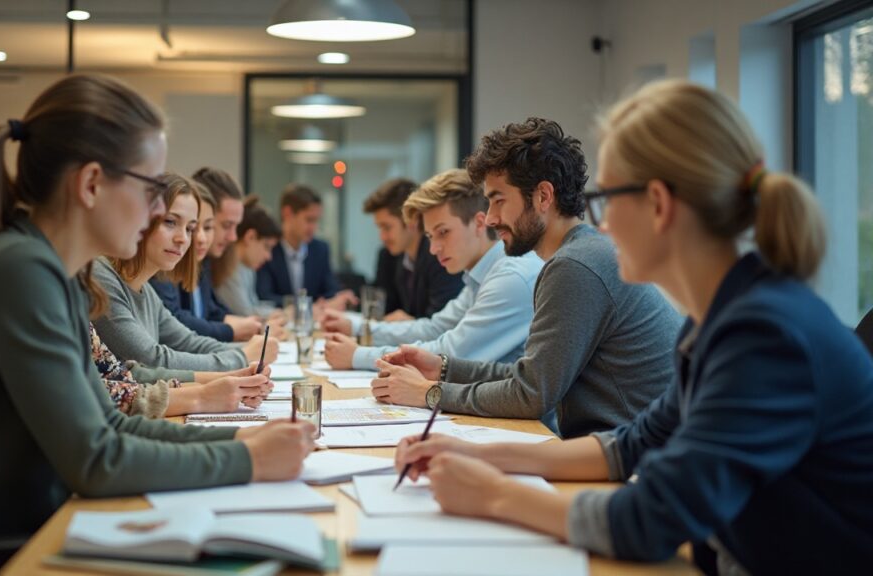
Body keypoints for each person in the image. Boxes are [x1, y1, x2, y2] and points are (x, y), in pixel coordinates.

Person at [394, 80, 873, 573]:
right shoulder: (717, 321)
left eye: (605, 198)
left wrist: (493, 496)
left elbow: (652, 519)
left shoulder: (765, 338)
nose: (600, 224)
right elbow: (628, 446)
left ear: (659, 204)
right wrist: (479, 456)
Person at [0, 74, 314, 557]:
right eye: (151, 188)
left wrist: (245, 436)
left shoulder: (51, 273)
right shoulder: (18, 272)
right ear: (90, 184)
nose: (155, 210)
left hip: (22, 530)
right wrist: (249, 459)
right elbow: (97, 461)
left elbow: (111, 425)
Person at [375, 117, 681, 438]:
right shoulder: (581, 253)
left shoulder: (575, 266)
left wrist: (429, 393)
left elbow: (530, 395)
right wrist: (443, 367)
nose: (491, 219)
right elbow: (531, 376)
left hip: (628, 461)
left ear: (543, 196)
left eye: (498, 200)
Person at [323, 169, 541, 372]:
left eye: (443, 232)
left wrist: (358, 356)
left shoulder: (509, 277)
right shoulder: (482, 274)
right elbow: (434, 328)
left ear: (479, 224)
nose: (434, 248)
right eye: (429, 236)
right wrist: (357, 327)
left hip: (520, 413)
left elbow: (448, 353)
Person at [92, 173, 275, 372]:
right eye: (170, 222)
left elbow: (190, 342)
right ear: (142, 219)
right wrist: (241, 356)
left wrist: (252, 350)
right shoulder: (102, 278)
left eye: (190, 228)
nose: (183, 239)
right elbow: (152, 359)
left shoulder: (146, 291)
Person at [151, 167, 264, 342]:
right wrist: (232, 334)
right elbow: (176, 324)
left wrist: (250, 326)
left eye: (207, 227)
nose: (234, 237)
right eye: (226, 225)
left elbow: (213, 311)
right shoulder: (164, 265)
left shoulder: (203, 261)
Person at [91, 322, 272, 418]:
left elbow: (121, 376)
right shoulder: (100, 280)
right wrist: (202, 396)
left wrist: (231, 379)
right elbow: (93, 395)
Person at [364, 178, 463, 321]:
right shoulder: (390, 255)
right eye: (380, 228)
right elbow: (383, 306)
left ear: (411, 220)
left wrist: (409, 323)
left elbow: (442, 325)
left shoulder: (439, 255)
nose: (382, 237)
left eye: (387, 227)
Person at [255, 183, 357, 309]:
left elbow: (331, 290)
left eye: (317, 221)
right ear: (287, 214)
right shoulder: (266, 249)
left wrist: (339, 297)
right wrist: (310, 307)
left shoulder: (320, 249)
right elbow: (265, 297)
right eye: (309, 220)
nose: (314, 228)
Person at [213, 196, 285, 318]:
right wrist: (285, 314)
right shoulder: (228, 267)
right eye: (267, 247)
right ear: (250, 237)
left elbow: (254, 305)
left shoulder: (247, 269)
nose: (269, 257)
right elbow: (245, 314)